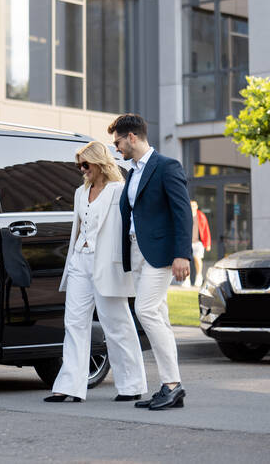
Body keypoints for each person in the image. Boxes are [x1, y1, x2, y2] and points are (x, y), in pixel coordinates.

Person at [45, 141, 147, 403]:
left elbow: (130, 229)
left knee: (117, 324)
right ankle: (70, 387)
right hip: (80, 260)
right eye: (79, 165)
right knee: (74, 323)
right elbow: (80, 228)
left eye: (86, 164)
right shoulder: (81, 192)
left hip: (107, 265)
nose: (82, 169)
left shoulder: (119, 190)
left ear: (100, 163)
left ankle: (131, 385)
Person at [110, 114, 192, 410]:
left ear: (131, 137)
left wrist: (183, 253)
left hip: (160, 253)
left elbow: (182, 212)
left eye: (117, 141)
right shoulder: (132, 172)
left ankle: (172, 385)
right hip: (137, 251)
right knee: (160, 316)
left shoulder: (166, 166)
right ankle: (170, 386)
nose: (116, 147)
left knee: (145, 310)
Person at [190, 201, 211, 286]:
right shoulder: (186, 215)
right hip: (188, 242)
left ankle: (199, 276)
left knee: (197, 259)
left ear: (197, 206)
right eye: (191, 206)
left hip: (198, 242)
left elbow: (206, 229)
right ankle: (186, 280)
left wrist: (208, 243)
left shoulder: (201, 216)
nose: (192, 207)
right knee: (186, 261)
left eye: (194, 206)